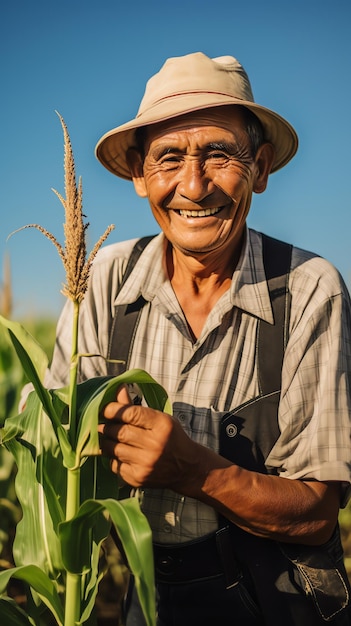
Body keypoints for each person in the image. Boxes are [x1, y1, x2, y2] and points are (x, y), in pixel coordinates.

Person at [48, 53, 351, 625]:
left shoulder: (310, 290)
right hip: (147, 598)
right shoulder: (101, 281)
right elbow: (49, 443)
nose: (194, 186)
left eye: (219, 154)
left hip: (278, 601)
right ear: (139, 174)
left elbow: (316, 512)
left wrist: (193, 470)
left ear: (259, 168)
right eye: (168, 158)